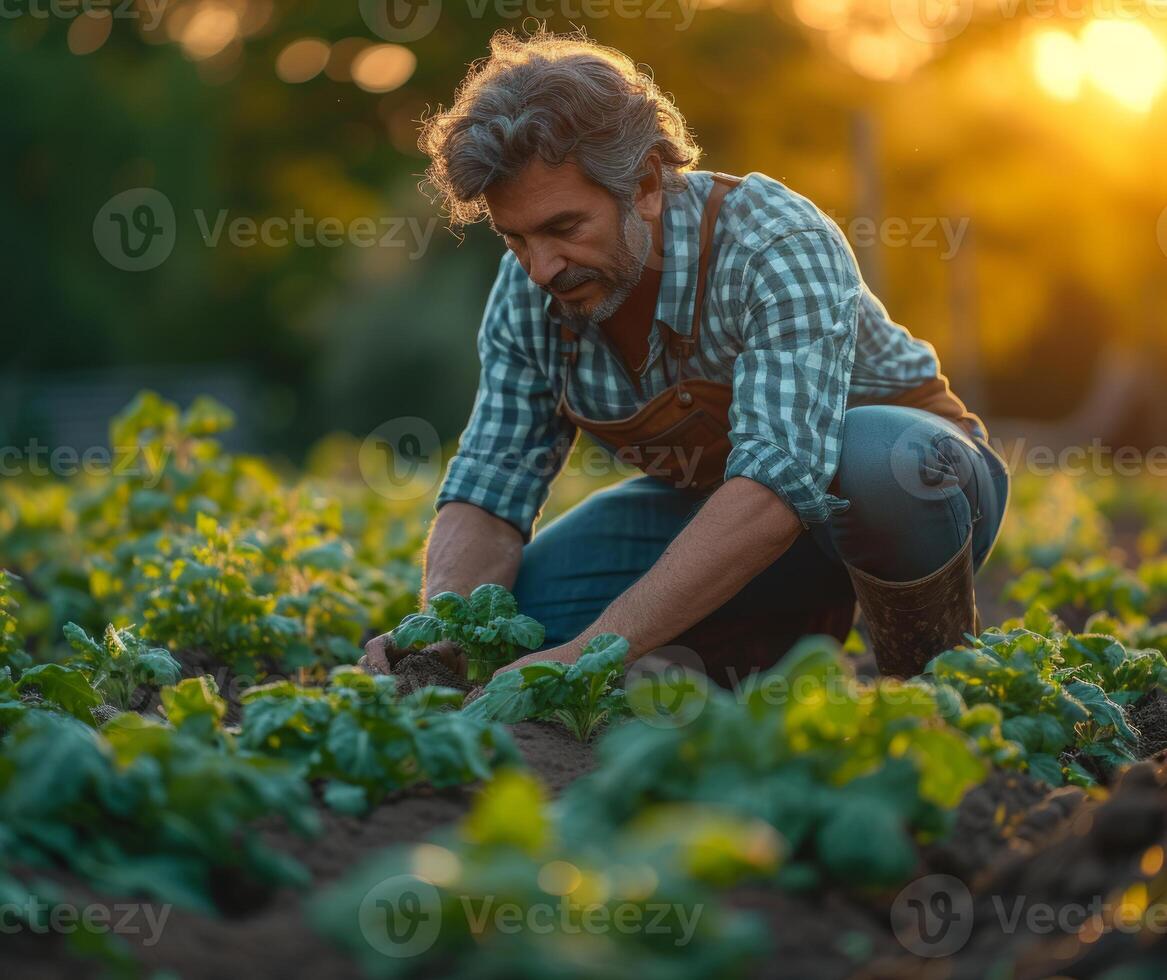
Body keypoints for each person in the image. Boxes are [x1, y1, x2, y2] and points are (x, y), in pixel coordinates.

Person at [361, 28, 1010, 689]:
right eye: (515, 238)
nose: (539, 268)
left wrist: (591, 654)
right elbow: (490, 485)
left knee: (880, 463)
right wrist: (442, 629)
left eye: (562, 228)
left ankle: (931, 683)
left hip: (915, 500)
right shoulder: (532, 292)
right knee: (513, 617)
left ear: (644, 183)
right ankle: (760, 646)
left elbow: (773, 488)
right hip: (720, 521)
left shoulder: (771, 242)